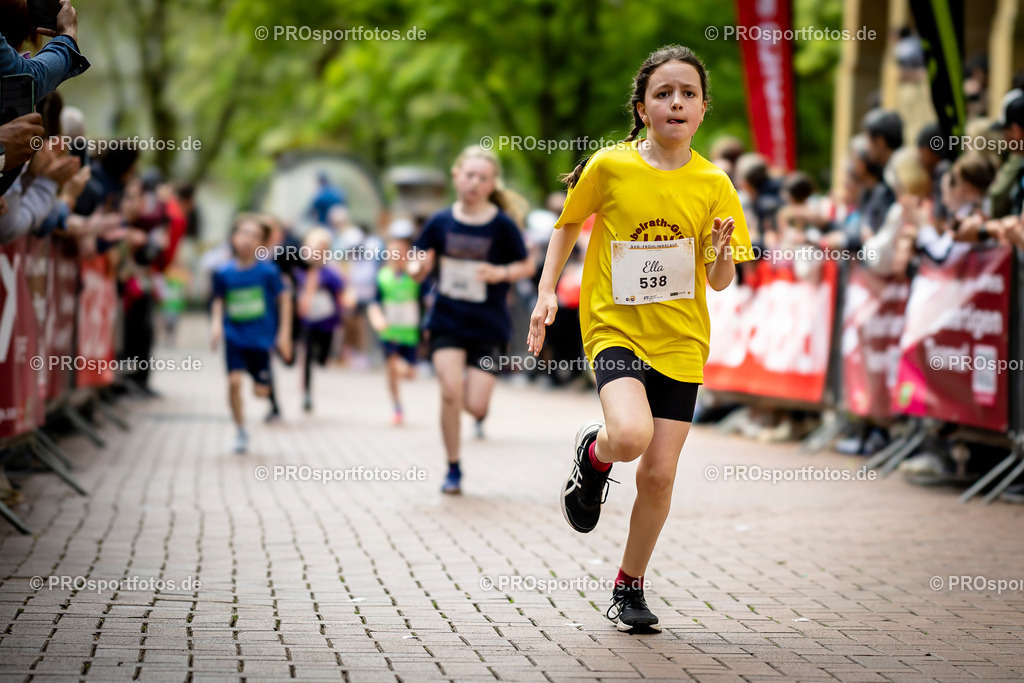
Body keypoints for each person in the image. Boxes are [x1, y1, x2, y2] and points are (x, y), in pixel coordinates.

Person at [527, 45, 752, 633]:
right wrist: (547, 291)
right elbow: (568, 223)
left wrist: (722, 253)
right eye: (663, 93)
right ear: (643, 107)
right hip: (615, 326)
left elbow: (721, 281)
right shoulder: (610, 166)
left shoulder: (716, 184)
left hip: (680, 339)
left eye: (688, 94)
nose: (676, 102)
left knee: (658, 475)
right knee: (629, 435)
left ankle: (629, 585)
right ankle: (596, 455)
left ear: (703, 110)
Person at [411, 145, 535, 494]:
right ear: (456, 176)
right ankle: (453, 468)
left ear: (492, 182)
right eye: (469, 175)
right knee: (450, 393)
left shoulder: (501, 225)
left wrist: (497, 273)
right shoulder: (440, 221)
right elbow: (419, 258)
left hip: (488, 324)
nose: (474, 183)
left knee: (475, 404)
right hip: (447, 319)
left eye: (483, 177)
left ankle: (477, 403)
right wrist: (417, 268)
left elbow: (526, 265)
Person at [211, 214, 293, 454]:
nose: (247, 240)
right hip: (234, 336)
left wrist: (284, 334)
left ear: (262, 243)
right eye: (243, 233)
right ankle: (240, 429)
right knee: (233, 382)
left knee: (261, 392)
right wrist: (216, 325)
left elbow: (285, 299)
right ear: (234, 237)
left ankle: (259, 382)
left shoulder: (268, 272)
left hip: (260, 340)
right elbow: (218, 300)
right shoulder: (223, 273)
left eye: (255, 236)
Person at [368, 235, 420, 425]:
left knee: (410, 373)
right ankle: (397, 407)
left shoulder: (416, 275)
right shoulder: (382, 276)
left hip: (410, 333)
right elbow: (374, 303)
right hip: (389, 332)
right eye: (393, 252)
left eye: (401, 251)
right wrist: (377, 319)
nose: (397, 256)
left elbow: (426, 299)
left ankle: (405, 371)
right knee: (392, 366)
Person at [293, 228, 346, 413]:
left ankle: (322, 356)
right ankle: (306, 393)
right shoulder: (299, 271)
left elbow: (341, 295)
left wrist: (342, 315)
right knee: (305, 356)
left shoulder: (330, 273)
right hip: (307, 321)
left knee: (322, 358)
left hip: (327, 322)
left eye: (321, 248)